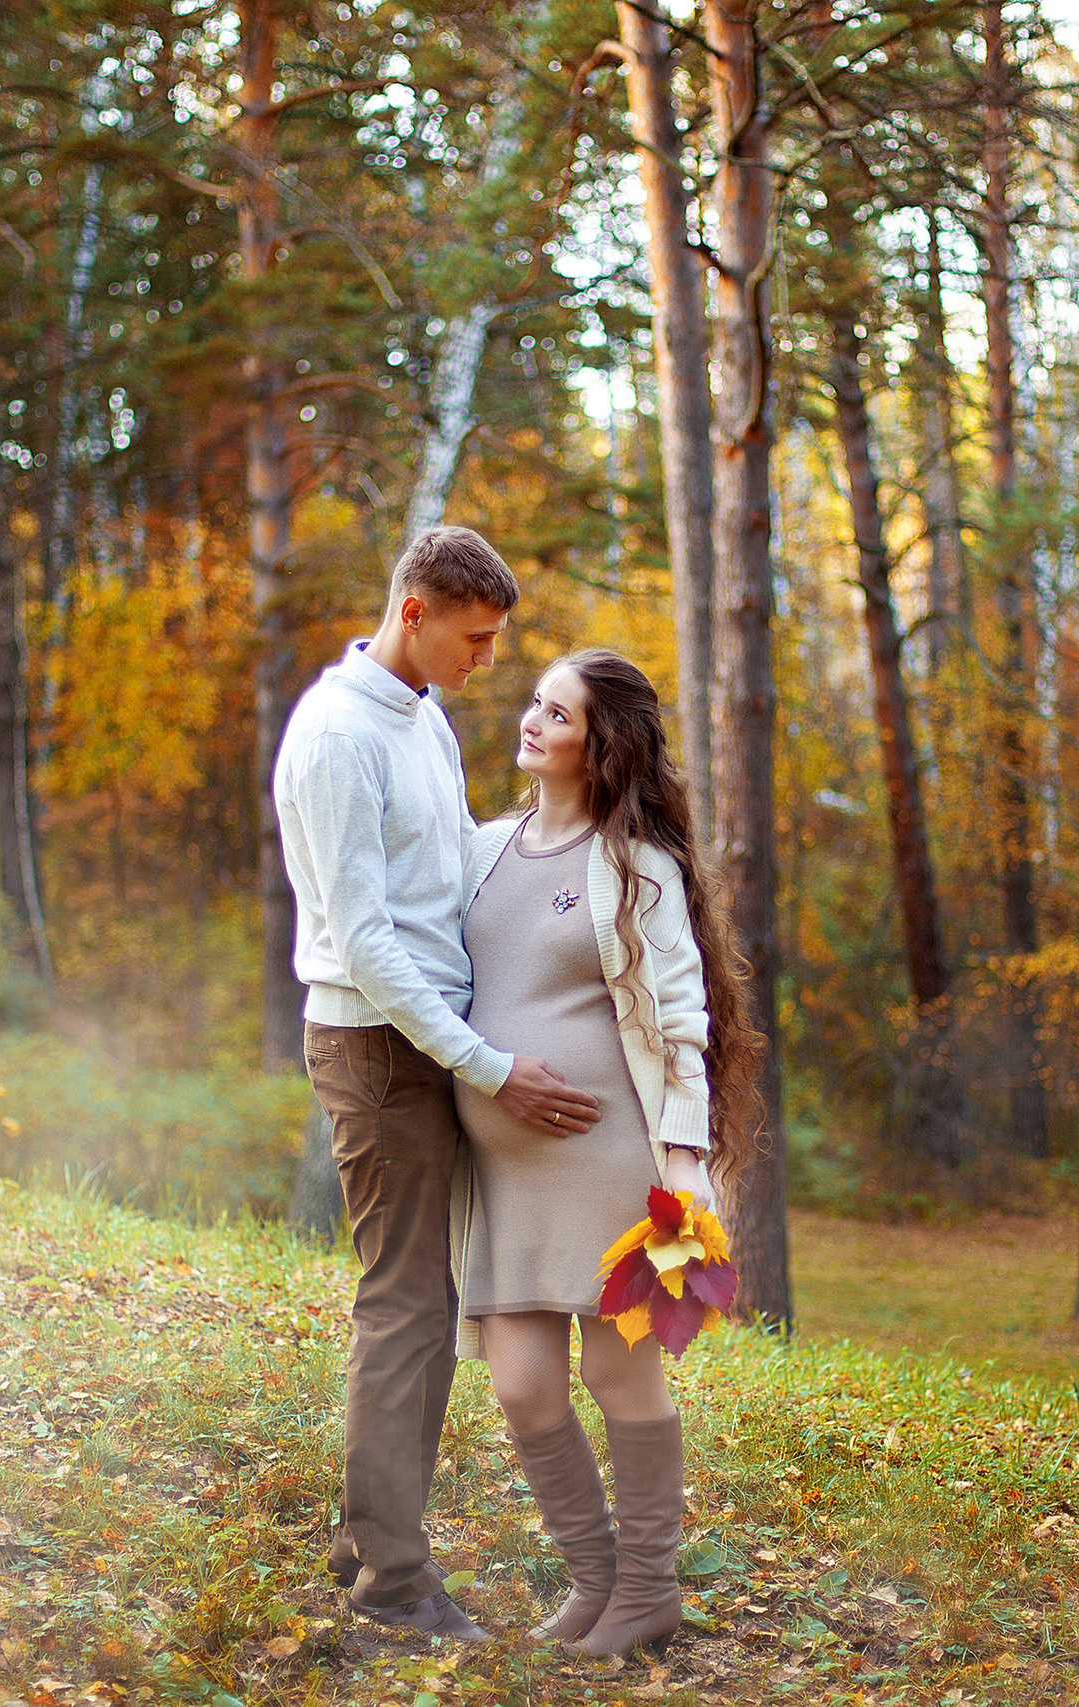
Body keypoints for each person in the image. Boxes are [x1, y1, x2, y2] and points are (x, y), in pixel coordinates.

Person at [274, 527, 604, 1641]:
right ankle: (395, 1589)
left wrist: (569, 831)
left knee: (421, 1305)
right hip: (379, 1047)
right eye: (475, 638)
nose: (487, 661)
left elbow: (452, 859)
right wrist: (487, 1064)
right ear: (414, 612)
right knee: (406, 1309)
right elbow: (366, 942)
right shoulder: (334, 738)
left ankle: (373, 1541)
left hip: (429, 1041)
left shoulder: (421, 716)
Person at [450, 648, 760, 1656]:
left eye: (558, 713)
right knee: (521, 1385)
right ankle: (597, 1583)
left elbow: (680, 1018)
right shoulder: (481, 850)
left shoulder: (636, 867)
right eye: (534, 704)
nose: (532, 722)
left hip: (611, 1161)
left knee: (620, 1379)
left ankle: (647, 1593)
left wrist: (682, 1158)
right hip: (501, 1175)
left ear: (601, 745)